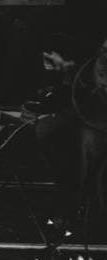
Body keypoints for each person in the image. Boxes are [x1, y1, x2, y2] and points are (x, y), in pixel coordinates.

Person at [30, 34, 107, 233]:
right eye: (103, 51)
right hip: (86, 117)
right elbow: (75, 93)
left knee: (86, 145)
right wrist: (66, 70)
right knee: (46, 131)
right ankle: (70, 201)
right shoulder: (89, 66)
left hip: (95, 126)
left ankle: (79, 207)